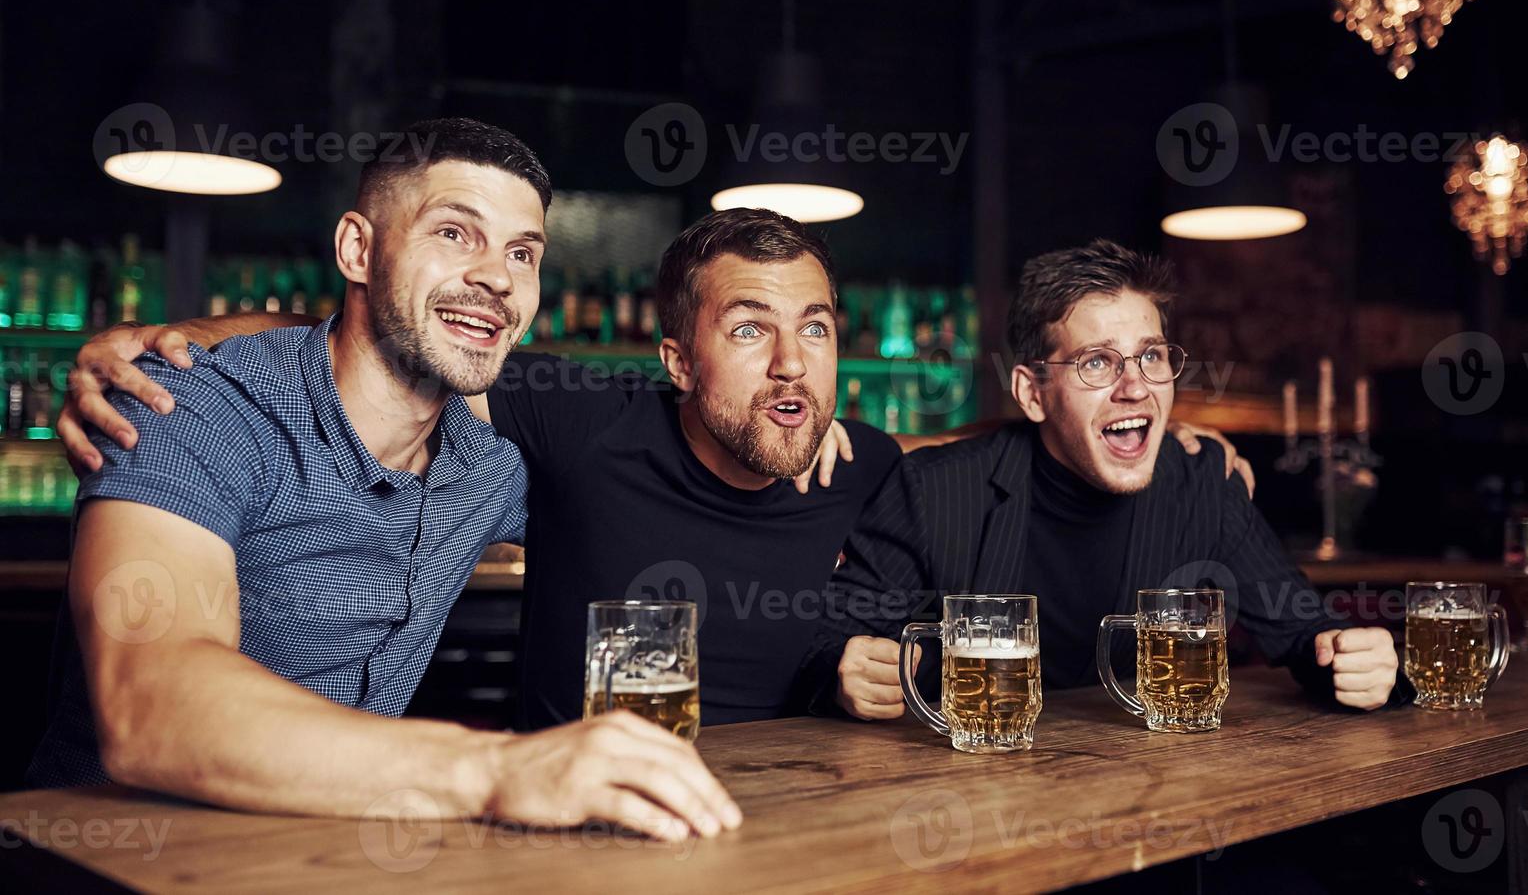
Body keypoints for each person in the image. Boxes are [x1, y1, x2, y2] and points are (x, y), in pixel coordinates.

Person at [58, 212, 1249, 733]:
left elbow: (1007, 453)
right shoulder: (580, 417)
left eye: (817, 329)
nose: (793, 365)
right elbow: (373, 349)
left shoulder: (871, 462)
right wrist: (177, 339)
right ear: (676, 357)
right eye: (749, 331)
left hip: (791, 837)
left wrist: (1173, 436)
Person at [29, 118, 740, 843]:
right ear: (357, 249)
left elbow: (686, 482)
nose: (496, 276)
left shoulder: (493, 470)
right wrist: (498, 769)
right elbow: (152, 711)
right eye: (454, 234)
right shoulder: (188, 409)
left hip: (320, 857)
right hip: (104, 861)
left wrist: (795, 431)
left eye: (522, 252)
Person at [818, 239, 1402, 721]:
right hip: (974, 812)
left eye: (1151, 356)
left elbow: (1308, 634)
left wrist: (1362, 665)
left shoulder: (1202, 482)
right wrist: (844, 673)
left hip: (1152, 814)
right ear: (1032, 393)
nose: (1135, 386)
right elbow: (826, 645)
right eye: (1097, 362)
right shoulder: (934, 492)